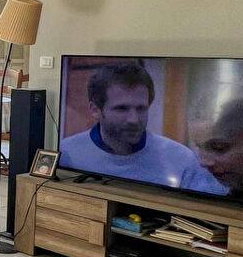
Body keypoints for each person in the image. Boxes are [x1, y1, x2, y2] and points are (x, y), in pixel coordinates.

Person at [59, 62, 206, 188]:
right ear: (95, 110)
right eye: (122, 108)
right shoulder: (66, 153)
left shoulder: (181, 159)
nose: (134, 120)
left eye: (141, 108)